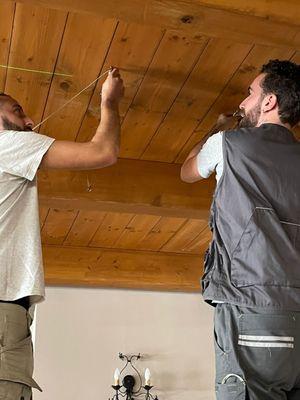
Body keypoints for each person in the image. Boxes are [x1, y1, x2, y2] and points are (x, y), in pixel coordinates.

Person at [0, 67, 124, 399]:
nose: (29, 122)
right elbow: (103, 152)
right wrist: (109, 102)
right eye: (17, 111)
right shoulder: (5, 145)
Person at [181, 59, 300, 399]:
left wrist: (213, 132)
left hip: (254, 306)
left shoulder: (229, 144)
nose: (242, 103)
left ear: (269, 101)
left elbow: (187, 172)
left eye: (249, 94)